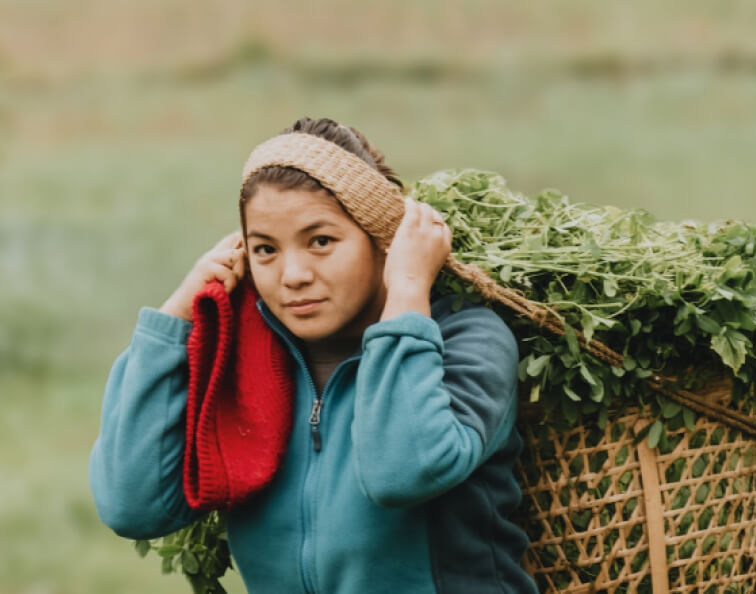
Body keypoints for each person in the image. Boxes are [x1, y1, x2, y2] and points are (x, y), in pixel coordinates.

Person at [89, 117, 539, 593]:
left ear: (384, 240)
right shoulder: (242, 362)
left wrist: (408, 291)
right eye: (266, 249)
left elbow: (402, 472)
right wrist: (178, 317)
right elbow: (131, 504)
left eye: (320, 241)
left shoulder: (467, 338)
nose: (293, 274)